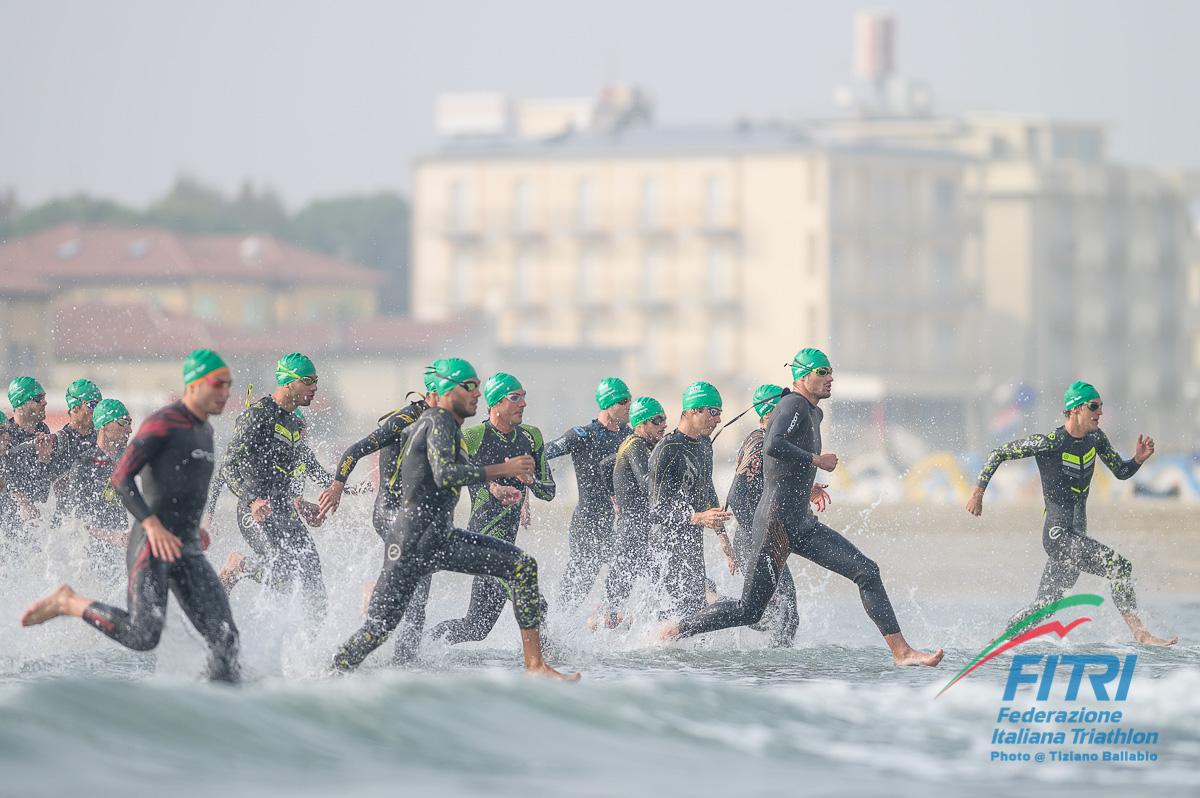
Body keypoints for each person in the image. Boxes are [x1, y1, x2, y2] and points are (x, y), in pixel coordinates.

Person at [661, 349, 943, 667]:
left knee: (867, 571)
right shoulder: (793, 404)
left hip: (801, 524)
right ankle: (674, 630)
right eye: (822, 372)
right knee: (749, 610)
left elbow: (777, 463)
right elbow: (773, 444)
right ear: (802, 376)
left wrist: (807, 485)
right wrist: (816, 460)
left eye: (830, 371)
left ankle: (902, 652)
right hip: (775, 526)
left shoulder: (815, 413)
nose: (829, 377)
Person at [331, 358, 578, 680]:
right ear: (446, 391)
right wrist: (503, 471)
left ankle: (535, 666)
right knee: (378, 630)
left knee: (522, 566)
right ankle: (331, 672)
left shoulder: (449, 427)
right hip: (412, 543)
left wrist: (501, 485)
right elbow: (445, 473)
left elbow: (447, 472)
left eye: (478, 386)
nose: (478, 394)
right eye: (470, 387)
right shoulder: (438, 422)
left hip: (439, 538)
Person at [20, 350, 240, 682]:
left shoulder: (205, 432)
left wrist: (196, 527)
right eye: (218, 384)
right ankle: (68, 602)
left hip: (186, 545)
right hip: (151, 544)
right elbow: (121, 478)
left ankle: (212, 712)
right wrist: (151, 524)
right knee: (143, 635)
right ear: (194, 385)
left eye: (229, 385)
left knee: (226, 638)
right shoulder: (163, 423)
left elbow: (188, 486)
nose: (225, 393)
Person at [966, 380, 1176, 646]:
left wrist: (1136, 460)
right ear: (1075, 409)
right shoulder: (1050, 442)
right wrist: (978, 493)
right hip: (1058, 536)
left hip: (1077, 534)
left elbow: (1121, 473)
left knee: (1045, 606)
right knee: (1120, 567)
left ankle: (997, 643)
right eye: (1094, 406)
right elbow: (999, 453)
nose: (1100, 412)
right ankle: (1140, 634)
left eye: (1101, 406)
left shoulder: (1096, 439)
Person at [317, 370, 438, 663]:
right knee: (413, 580)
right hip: (389, 511)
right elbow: (354, 450)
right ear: (435, 393)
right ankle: (375, 596)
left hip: (414, 517)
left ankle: (406, 662)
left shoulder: (443, 425)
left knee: (419, 594)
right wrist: (337, 486)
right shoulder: (405, 420)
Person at [430, 372, 556, 645]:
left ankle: (421, 644)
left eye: (524, 397)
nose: (522, 403)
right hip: (481, 543)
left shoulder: (531, 437)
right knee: (537, 603)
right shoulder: (473, 436)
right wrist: (491, 486)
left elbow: (549, 491)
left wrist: (530, 481)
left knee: (475, 629)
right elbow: (448, 472)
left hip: (506, 546)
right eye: (514, 397)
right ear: (495, 404)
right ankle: (547, 665)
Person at [216, 352, 336, 625]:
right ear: (288, 382)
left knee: (311, 574)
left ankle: (316, 643)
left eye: (316, 380)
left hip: (284, 509)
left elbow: (292, 471)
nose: (314, 387)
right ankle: (238, 567)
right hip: (255, 510)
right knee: (281, 572)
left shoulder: (296, 423)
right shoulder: (258, 415)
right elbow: (228, 466)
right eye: (308, 380)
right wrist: (251, 500)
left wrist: (300, 502)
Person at [545, 377, 632, 615]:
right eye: (623, 401)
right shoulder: (582, 435)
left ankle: (604, 621)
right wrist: (525, 486)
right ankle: (551, 629)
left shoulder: (630, 437)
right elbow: (542, 454)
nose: (628, 406)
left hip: (614, 524)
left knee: (629, 569)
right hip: (587, 524)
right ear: (607, 404)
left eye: (630, 400)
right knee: (576, 589)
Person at [648, 382, 732, 618]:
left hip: (691, 540)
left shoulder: (705, 444)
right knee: (676, 615)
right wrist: (696, 517)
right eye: (713, 412)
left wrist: (722, 535)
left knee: (694, 612)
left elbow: (706, 488)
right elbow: (655, 510)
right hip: (664, 544)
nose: (717, 420)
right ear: (693, 410)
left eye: (720, 413)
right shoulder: (667, 449)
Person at [724, 384, 799, 647]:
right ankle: (717, 608)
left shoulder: (773, 441)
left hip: (766, 541)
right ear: (770, 412)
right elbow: (736, 496)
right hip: (753, 541)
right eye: (784, 409)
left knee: (787, 614)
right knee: (768, 613)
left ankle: (778, 667)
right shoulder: (758, 444)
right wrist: (759, 540)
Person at [602, 396, 668, 627]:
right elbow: (647, 482)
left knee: (660, 583)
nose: (664, 425)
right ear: (641, 424)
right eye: (657, 420)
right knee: (612, 610)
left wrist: (614, 496)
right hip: (632, 534)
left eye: (664, 419)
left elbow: (605, 465)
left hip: (639, 531)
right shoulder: (635, 445)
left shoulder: (642, 445)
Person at [64, 398, 134, 582]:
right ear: (104, 425)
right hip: (92, 556)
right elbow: (76, 523)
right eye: (123, 422)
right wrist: (115, 537)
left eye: (130, 423)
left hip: (122, 551)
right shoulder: (84, 465)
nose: (129, 429)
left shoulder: (129, 461)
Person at [2, 377, 52, 523]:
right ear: (21, 404)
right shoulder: (5, 436)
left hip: (33, 518)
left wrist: (44, 460)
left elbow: (42, 494)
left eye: (43, 397)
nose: (44, 402)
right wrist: (22, 502)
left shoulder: (43, 430)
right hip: (9, 519)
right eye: (38, 398)